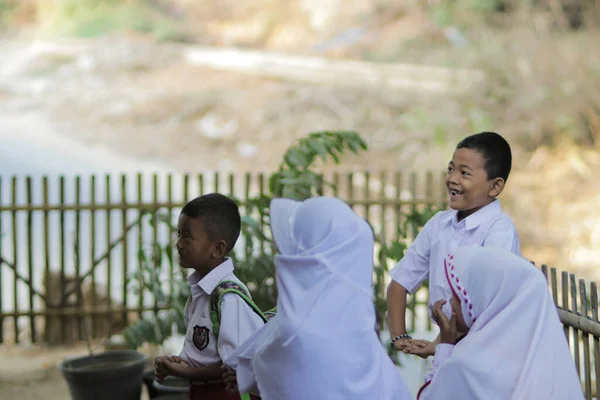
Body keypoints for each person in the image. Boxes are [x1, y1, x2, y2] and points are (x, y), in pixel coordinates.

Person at [223, 197, 412, 400]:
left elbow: (275, 372)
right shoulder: (353, 317)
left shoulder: (298, 329)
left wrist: (244, 373)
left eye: (297, 239)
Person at [387, 131, 522, 358]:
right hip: (448, 348)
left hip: (489, 351)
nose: (452, 178)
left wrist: (441, 344)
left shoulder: (498, 231)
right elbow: (400, 282)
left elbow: (487, 305)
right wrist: (400, 337)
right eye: (451, 169)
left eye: (464, 173)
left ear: (495, 186)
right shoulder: (439, 224)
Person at [417, 245, 583, 400]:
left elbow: (430, 396)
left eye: (457, 295)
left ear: (484, 300)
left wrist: (445, 347)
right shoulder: (554, 365)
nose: (451, 302)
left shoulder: (466, 367)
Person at [154, 193, 265, 400]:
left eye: (187, 236)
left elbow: (234, 368)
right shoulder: (201, 292)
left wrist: (185, 371)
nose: (178, 244)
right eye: (179, 233)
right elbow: (207, 355)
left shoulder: (229, 299)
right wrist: (180, 362)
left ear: (217, 248)